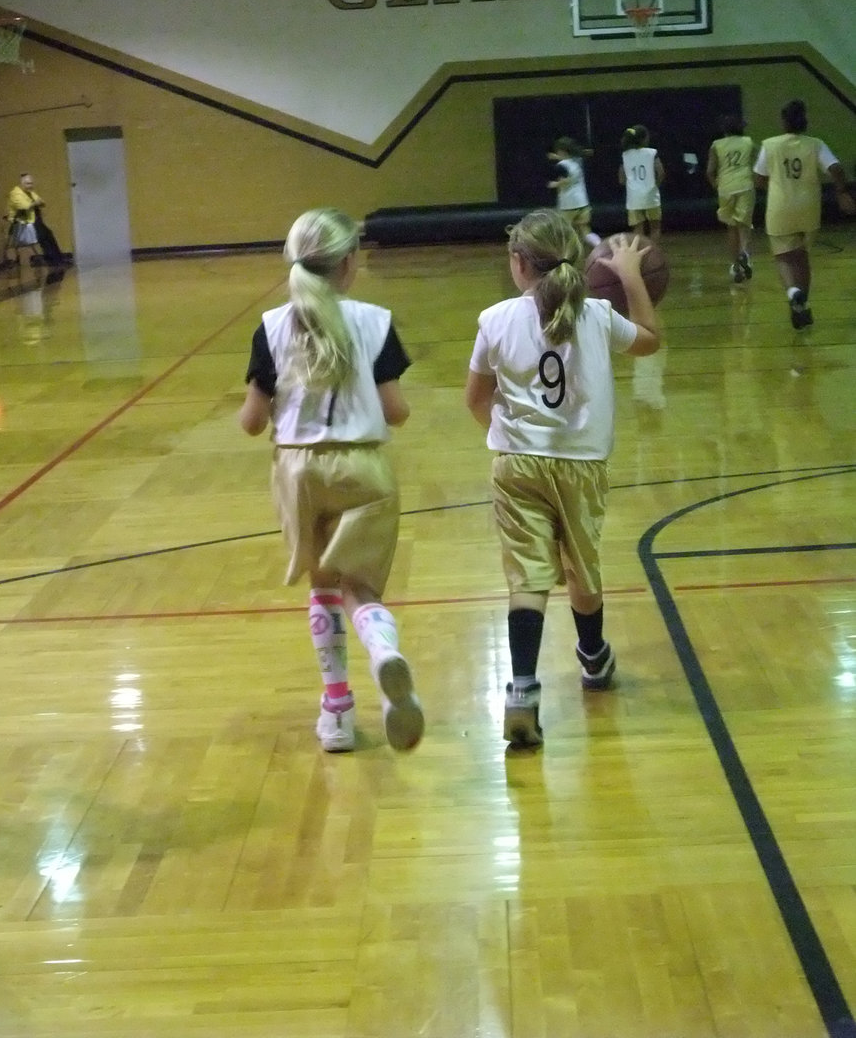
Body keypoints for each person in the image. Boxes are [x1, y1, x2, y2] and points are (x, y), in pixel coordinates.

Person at [465, 210, 661, 748]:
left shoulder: (495, 318)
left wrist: (504, 436)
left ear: (518, 263)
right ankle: (593, 659)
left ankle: (523, 689)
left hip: (517, 464)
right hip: (582, 464)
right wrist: (632, 276)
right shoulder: (598, 314)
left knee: (527, 579)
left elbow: (477, 400)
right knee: (580, 566)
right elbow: (650, 340)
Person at [238, 207, 424, 754]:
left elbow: (251, 422)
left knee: (322, 587)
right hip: (362, 463)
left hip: (299, 469)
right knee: (360, 588)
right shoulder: (375, 320)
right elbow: (396, 412)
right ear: (348, 264)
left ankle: (338, 711)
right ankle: (382, 647)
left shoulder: (271, 327)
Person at [754, 99, 856, 330]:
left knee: (783, 257)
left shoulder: (770, 144)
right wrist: (841, 192)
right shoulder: (815, 144)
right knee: (801, 257)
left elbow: (758, 179)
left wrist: (777, 183)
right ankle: (803, 307)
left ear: (783, 121)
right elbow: (836, 169)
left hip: (780, 207)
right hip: (809, 207)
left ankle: (793, 293)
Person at [706, 114, 756, 283]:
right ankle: (745, 255)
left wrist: (716, 186)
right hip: (745, 184)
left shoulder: (716, 145)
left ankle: (735, 266)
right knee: (745, 225)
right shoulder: (748, 142)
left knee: (731, 227)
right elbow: (753, 165)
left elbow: (710, 171)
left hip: (726, 187)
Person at [7, 173, 71, 268]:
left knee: (49, 234)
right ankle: (54, 259)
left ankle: (57, 258)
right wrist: (35, 203)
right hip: (23, 223)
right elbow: (25, 206)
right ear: (22, 184)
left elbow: (41, 202)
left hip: (33, 221)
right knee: (44, 236)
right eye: (28, 184)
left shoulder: (30, 193)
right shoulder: (15, 194)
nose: (30, 186)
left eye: (31, 183)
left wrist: (35, 203)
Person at [546, 136, 598, 247]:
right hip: (583, 202)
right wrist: (556, 157)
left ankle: (567, 255)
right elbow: (572, 158)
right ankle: (599, 246)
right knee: (585, 230)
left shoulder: (560, 166)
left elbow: (566, 180)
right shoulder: (577, 161)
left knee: (565, 232)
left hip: (568, 204)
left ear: (561, 151)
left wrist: (554, 184)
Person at [619, 125, 665, 242]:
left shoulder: (625, 155)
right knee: (655, 227)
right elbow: (661, 173)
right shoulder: (652, 152)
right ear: (644, 138)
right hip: (651, 195)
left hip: (633, 197)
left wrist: (631, 187)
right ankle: (652, 253)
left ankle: (639, 254)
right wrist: (655, 186)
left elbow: (621, 179)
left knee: (638, 228)